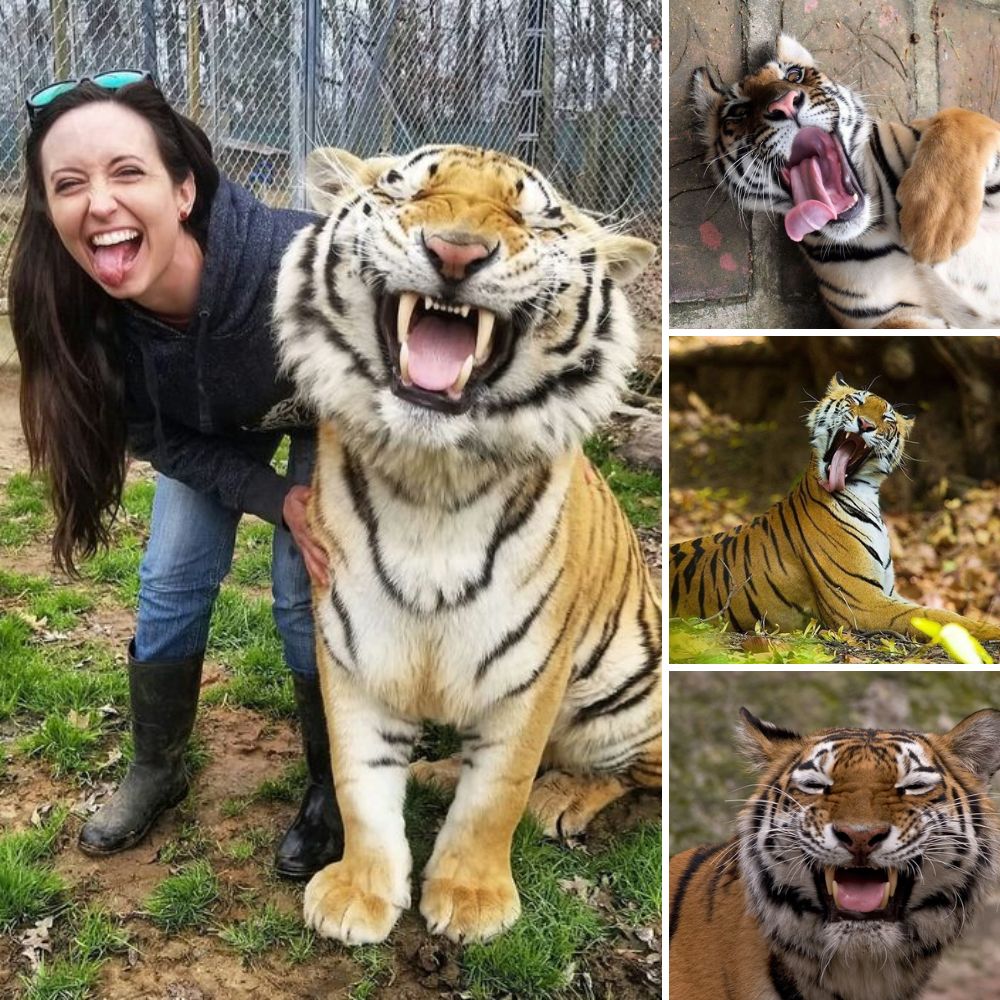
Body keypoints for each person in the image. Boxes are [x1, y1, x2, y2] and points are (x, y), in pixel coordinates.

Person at [7, 71, 341, 879]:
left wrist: (311, 503)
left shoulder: (295, 262)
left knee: (304, 591)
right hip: (208, 431)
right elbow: (161, 440)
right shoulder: (88, 324)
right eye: (69, 184)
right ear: (51, 214)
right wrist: (272, 498)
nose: (99, 203)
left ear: (183, 189)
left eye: (127, 172)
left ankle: (335, 784)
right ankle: (158, 765)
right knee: (168, 579)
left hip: (327, 418)